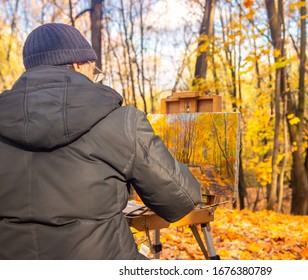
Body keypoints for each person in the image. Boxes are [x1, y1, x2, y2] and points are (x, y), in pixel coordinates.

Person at [0, 23, 201, 259]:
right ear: (77, 65)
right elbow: (180, 200)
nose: (94, 77)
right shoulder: (121, 121)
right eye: (93, 70)